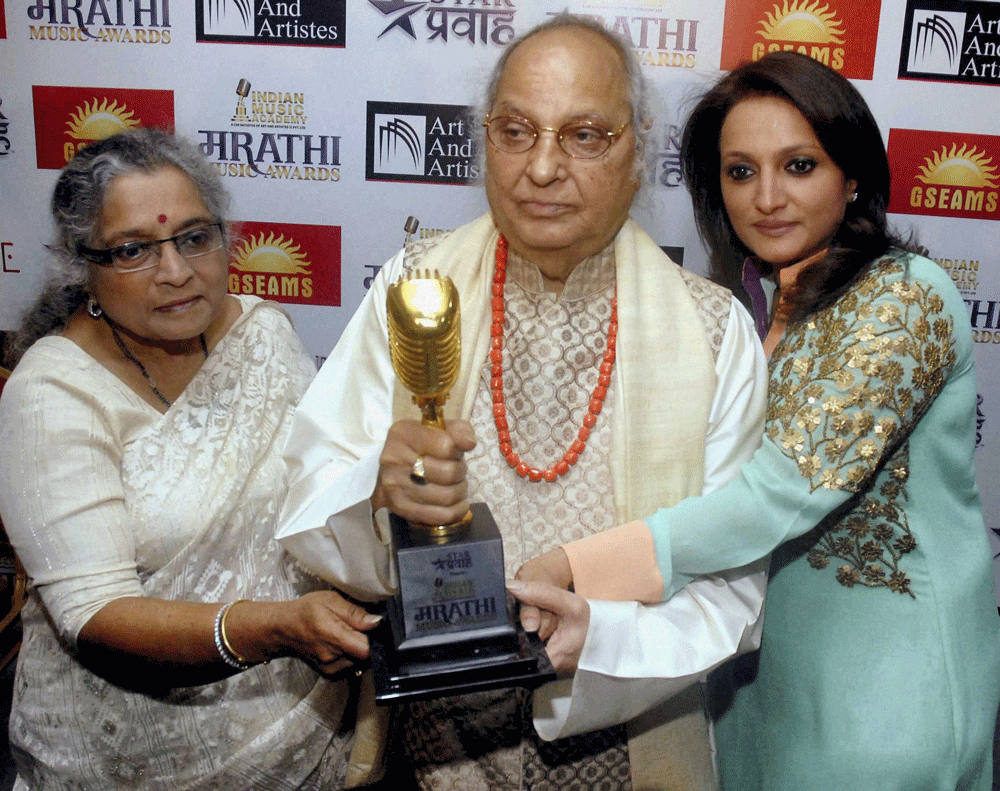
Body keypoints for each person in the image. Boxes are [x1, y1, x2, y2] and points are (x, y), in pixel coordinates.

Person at [277, 14, 768, 791]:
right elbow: (306, 506)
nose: (542, 167)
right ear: (484, 141)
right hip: (430, 751)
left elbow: (732, 592)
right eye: (516, 131)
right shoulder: (414, 291)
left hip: (622, 747)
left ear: (638, 149)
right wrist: (373, 492)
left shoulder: (712, 332)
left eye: (584, 135)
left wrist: (599, 638)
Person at [513, 51, 1000, 790]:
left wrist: (574, 566)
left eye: (799, 165)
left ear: (854, 176)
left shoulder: (904, 297)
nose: (767, 197)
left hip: (887, 692)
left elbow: (775, 495)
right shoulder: (749, 308)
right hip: (756, 681)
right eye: (741, 172)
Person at [0, 128, 388, 789]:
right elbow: (95, 616)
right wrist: (270, 628)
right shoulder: (52, 392)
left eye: (194, 237)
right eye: (132, 250)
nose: (176, 271)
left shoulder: (260, 331)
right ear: (82, 264)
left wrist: (388, 479)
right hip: (129, 761)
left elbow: (319, 499)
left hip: (307, 732)